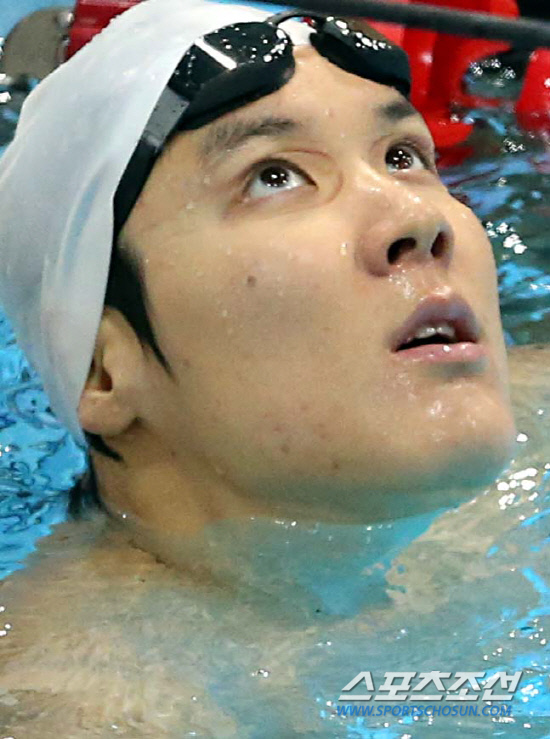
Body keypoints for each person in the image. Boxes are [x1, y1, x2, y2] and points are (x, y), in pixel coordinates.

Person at [0, 0, 547, 735]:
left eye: (403, 157)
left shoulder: (529, 449)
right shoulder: (88, 710)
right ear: (104, 370)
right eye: (275, 175)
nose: (418, 219)